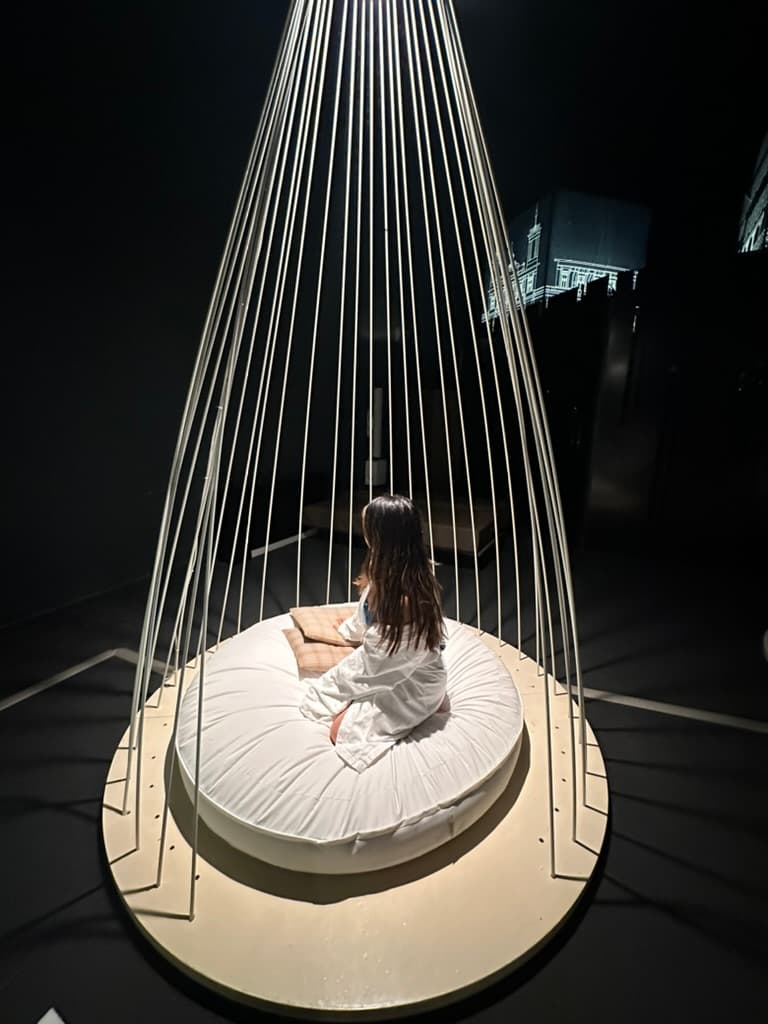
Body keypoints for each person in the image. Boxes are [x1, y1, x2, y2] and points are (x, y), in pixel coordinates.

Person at [299, 494, 448, 772]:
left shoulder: (409, 599)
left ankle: (431, 701)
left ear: (382, 537)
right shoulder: (383, 569)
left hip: (415, 680)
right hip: (396, 666)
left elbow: (378, 665)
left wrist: (332, 688)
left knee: (339, 731)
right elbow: (364, 621)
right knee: (334, 698)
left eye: (368, 529)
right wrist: (348, 632)